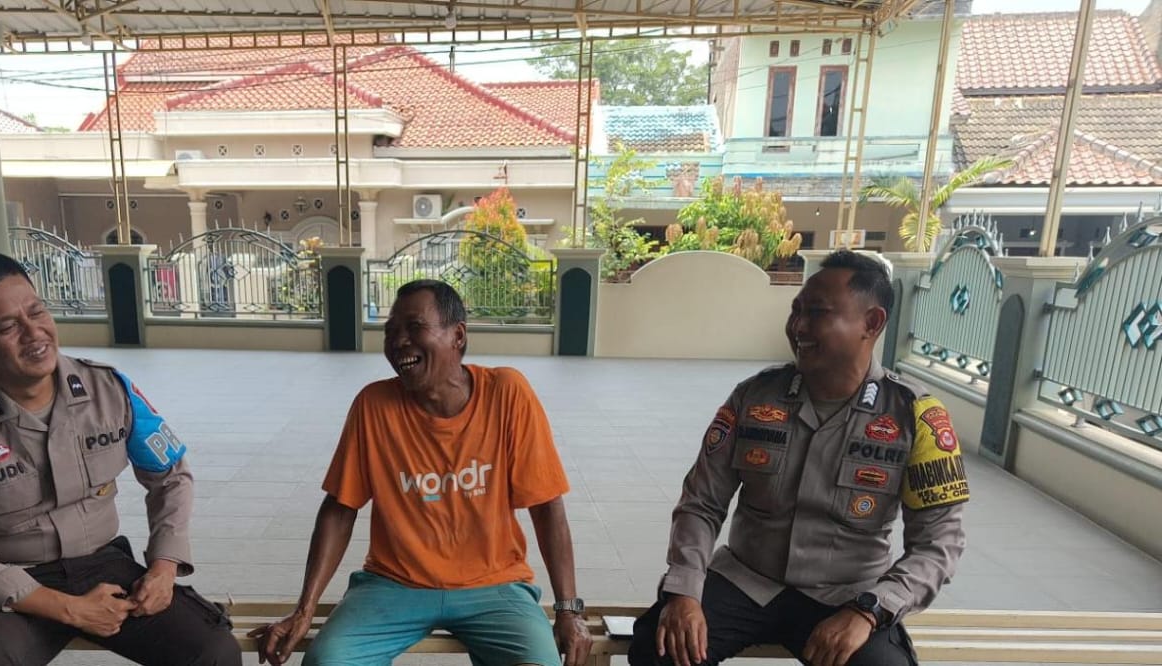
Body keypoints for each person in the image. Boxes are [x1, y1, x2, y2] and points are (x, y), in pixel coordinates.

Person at [630, 250, 968, 666]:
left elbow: (938, 543)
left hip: (847, 594)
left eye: (817, 313)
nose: (798, 327)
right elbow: (702, 503)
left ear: (872, 323)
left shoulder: (916, 417)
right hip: (746, 580)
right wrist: (684, 590)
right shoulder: (754, 397)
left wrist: (870, 610)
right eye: (796, 311)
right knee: (658, 651)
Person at [0, 250, 240, 665]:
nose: (34, 333)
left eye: (37, 312)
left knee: (213, 650)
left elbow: (171, 476)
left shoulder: (108, 389)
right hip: (12, 583)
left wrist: (163, 567)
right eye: (8, 326)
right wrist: (71, 609)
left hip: (105, 565)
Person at [250, 279, 592, 666]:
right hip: (393, 584)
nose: (399, 341)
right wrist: (304, 610)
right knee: (327, 661)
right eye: (391, 331)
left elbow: (547, 505)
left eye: (414, 327)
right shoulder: (373, 405)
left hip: (494, 585)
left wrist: (568, 609)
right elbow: (340, 508)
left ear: (458, 335)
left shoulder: (507, 393)